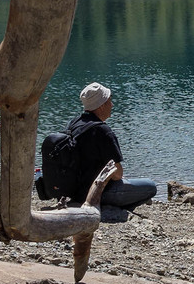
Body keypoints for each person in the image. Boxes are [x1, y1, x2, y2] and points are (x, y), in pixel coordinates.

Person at [63, 82, 158, 224]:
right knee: (150, 187)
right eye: (109, 101)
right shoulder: (103, 131)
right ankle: (109, 208)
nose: (112, 105)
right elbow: (118, 174)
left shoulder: (74, 123)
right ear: (101, 105)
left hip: (75, 191)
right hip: (98, 192)